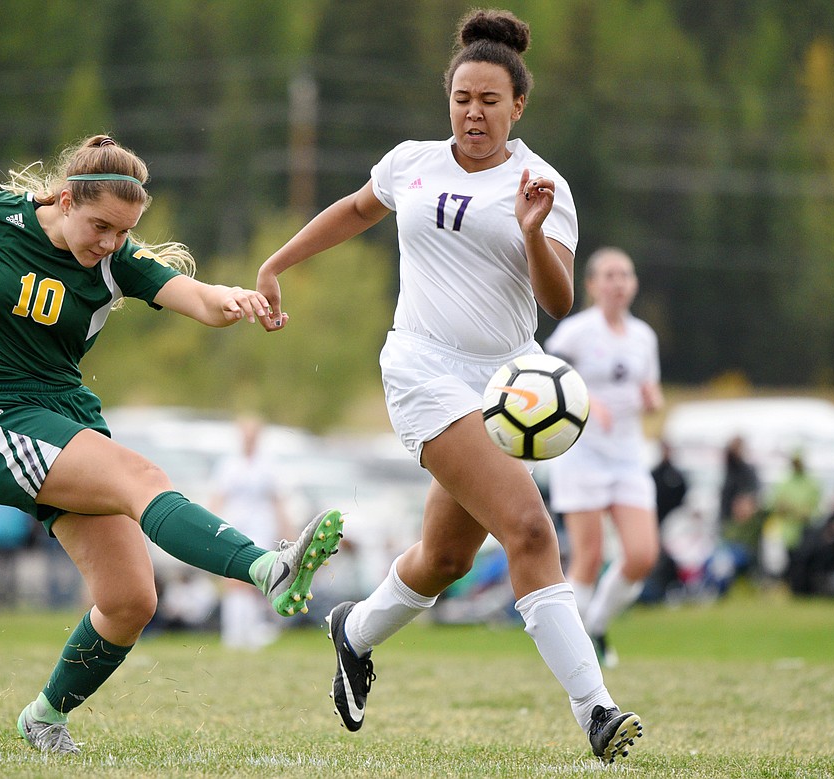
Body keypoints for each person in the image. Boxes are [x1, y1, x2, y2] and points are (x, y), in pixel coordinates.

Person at [0, 134, 344, 755]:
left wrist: (234, 300)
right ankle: (267, 568)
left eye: (124, 231)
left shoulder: (117, 262)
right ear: (64, 200)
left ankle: (43, 717)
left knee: (129, 602)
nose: (112, 243)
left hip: (65, 418)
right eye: (102, 226)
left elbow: (194, 297)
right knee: (141, 478)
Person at [255, 10, 641, 764]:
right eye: (463, 97)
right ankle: (597, 710)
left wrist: (531, 232)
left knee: (444, 558)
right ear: (450, 98)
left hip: (506, 387)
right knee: (530, 529)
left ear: (518, 106)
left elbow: (559, 303)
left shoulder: (542, 185)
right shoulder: (412, 162)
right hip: (422, 370)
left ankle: (353, 632)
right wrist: (277, 262)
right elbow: (356, 210)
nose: (474, 112)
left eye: (490, 100)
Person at [544, 247, 663, 666]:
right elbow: (548, 377)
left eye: (625, 275)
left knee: (642, 554)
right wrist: (589, 399)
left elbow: (652, 393)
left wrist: (651, 400)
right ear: (592, 285)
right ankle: (575, 655)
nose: (618, 283)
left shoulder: (643, 337)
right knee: (589, 556)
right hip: (581, 454)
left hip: (627, 456)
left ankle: (594, 624)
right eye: (609, 275)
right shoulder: (576, 332)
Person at [209, 415, 291, 650]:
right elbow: (217, 497)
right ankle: (234, 633)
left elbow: (278, 500)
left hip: (261, 527)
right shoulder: (228, 465)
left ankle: (251, 630)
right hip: (235, 525)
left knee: (257, 577)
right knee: (233, 578)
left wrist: (287, 530)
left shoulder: (268, 466)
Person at [640, 439, 688, 603]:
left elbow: (683, 498)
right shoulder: (655, 474)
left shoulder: (677, 475)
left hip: (674, 525)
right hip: (656, 522)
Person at [761, 452, 823, 577]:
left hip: (804, 532)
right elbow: (771, 504)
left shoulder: (812, 484)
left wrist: (803, 513)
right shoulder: (783, 482)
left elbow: (817, 511)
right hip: (783, 531)